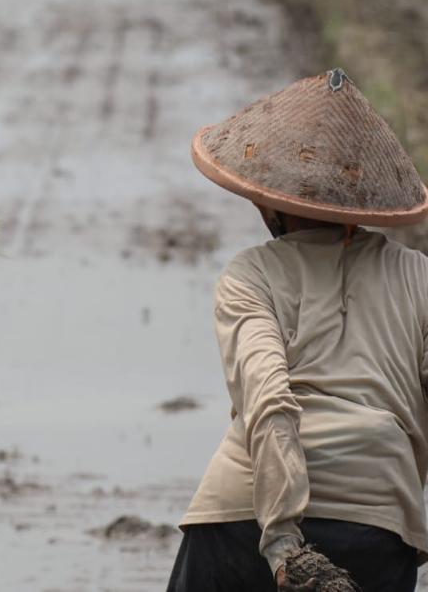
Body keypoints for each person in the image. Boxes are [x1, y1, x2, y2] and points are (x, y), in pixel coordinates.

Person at [168, 68, 428, 592]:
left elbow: (268, 400)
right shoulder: (420, 277)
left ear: (269, 204)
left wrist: (285, 544)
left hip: (243, 519)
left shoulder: (251, 273)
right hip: (376, 525)